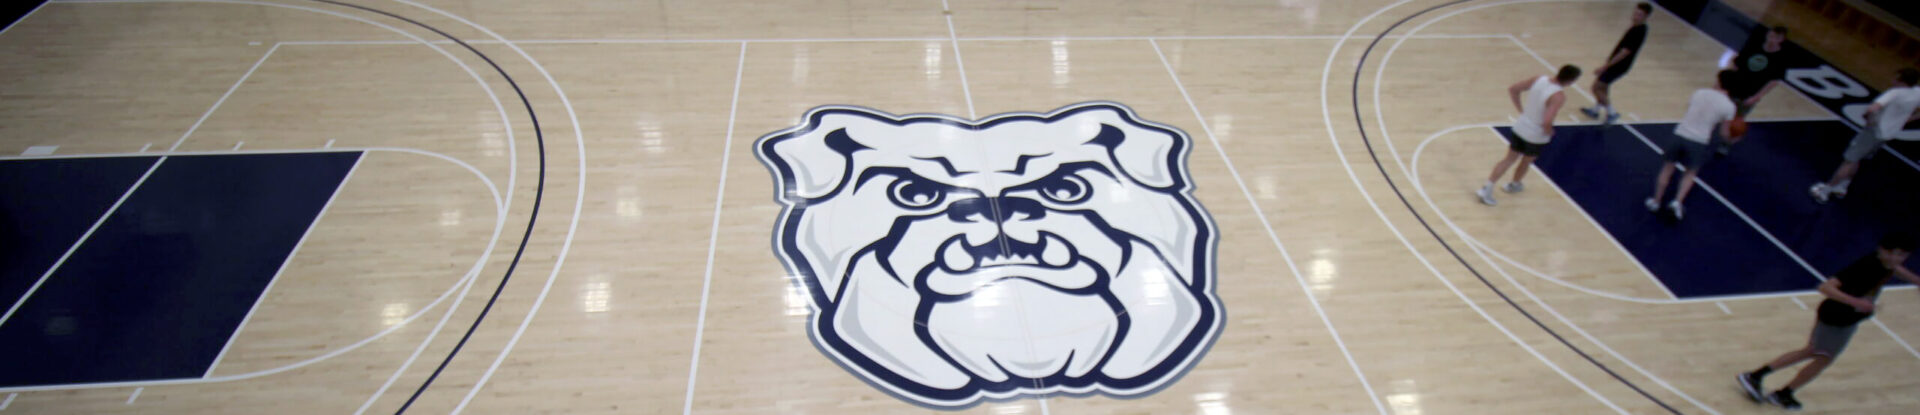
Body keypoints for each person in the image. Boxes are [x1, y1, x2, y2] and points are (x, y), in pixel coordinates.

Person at [1737, 232, 1920, 411]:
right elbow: (1825, 287)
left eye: (1904, 255)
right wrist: (1857, 302)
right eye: (1896, 253)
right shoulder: (1866, 266)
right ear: (1883, 250)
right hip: (1836, 318)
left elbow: (1895, 269)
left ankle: (1768, 382)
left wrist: (1916, 280)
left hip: (1847, 319)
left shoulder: (1885, 264)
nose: (1899, 259)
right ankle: (1769, 384)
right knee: (1820, 356)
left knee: (1815, 353)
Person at [1810, 68, 1920, 203]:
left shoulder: (1894, 93)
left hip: (1874, 132)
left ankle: (1826, 190)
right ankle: (1842, 186)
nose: (1893, 80)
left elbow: (1872, 109)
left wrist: (1869, 120)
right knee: (1857, 159)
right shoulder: (1917, 93)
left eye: (1896, 78)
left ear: (1902, 81)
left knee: (1849, 160)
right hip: (1887, 135)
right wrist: (1905, 120)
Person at [1478, 65, 1580, 206]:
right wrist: (1549, 131)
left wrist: (1521, 110)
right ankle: (1514, 184)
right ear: (1571, 80)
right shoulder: (1558, 96)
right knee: (1526, 161)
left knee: (1508, 159)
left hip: (1521, 125)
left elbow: (1513, 89)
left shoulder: (1539, 78)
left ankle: (1487, 188)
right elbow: (1547, 120)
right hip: (1535, 134)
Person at [1646, 70, 1738, 220]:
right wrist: (1732, 140)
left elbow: (1690, 111)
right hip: (1699, 141)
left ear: (1719, 81)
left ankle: (1656, 201)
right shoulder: (1729, 107)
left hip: (1680, 134)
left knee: (1667, 168)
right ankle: (1677, 202)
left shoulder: (1699, 93)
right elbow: (1723, 133)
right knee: (1690, 173)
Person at [1719, 26, 1789, 153]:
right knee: (1720, 114)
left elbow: (1774, 81)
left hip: (1749, 94)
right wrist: (1726, 85)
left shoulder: (1781, 58)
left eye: (1776, 38)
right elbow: (1736, 64)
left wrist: (1757, 97)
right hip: (1735, 88)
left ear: (1781, 40)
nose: (1772, 39)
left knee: (1736, 122)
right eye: (1771, 35)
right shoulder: (1753, 46)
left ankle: (1726, 144)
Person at [1580, 3, 1651, 125]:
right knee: (1603, 87)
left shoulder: (1638, 31)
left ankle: (1612, 113)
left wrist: (1605, 66)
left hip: (1619, 66)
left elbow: (1625, 52)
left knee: (1596, 87)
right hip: (1618, 65)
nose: (1635, 16)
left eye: (1639, 14)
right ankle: (1596, 110)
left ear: (1646, 16)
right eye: (1635, 12)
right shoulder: (1637, 27)